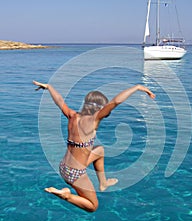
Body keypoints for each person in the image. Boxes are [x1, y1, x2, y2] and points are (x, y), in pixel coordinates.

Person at [33, 80, 155, 212]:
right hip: (75, 174)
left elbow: (59, 101)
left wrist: (50, 87)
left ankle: (103, 184)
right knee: (92, 206)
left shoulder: (72, 115)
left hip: (64, 167)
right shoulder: (94, 120)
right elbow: (115, 102)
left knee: (100, 150)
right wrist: (136, 87)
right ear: (99, 108)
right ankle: (66, 195)